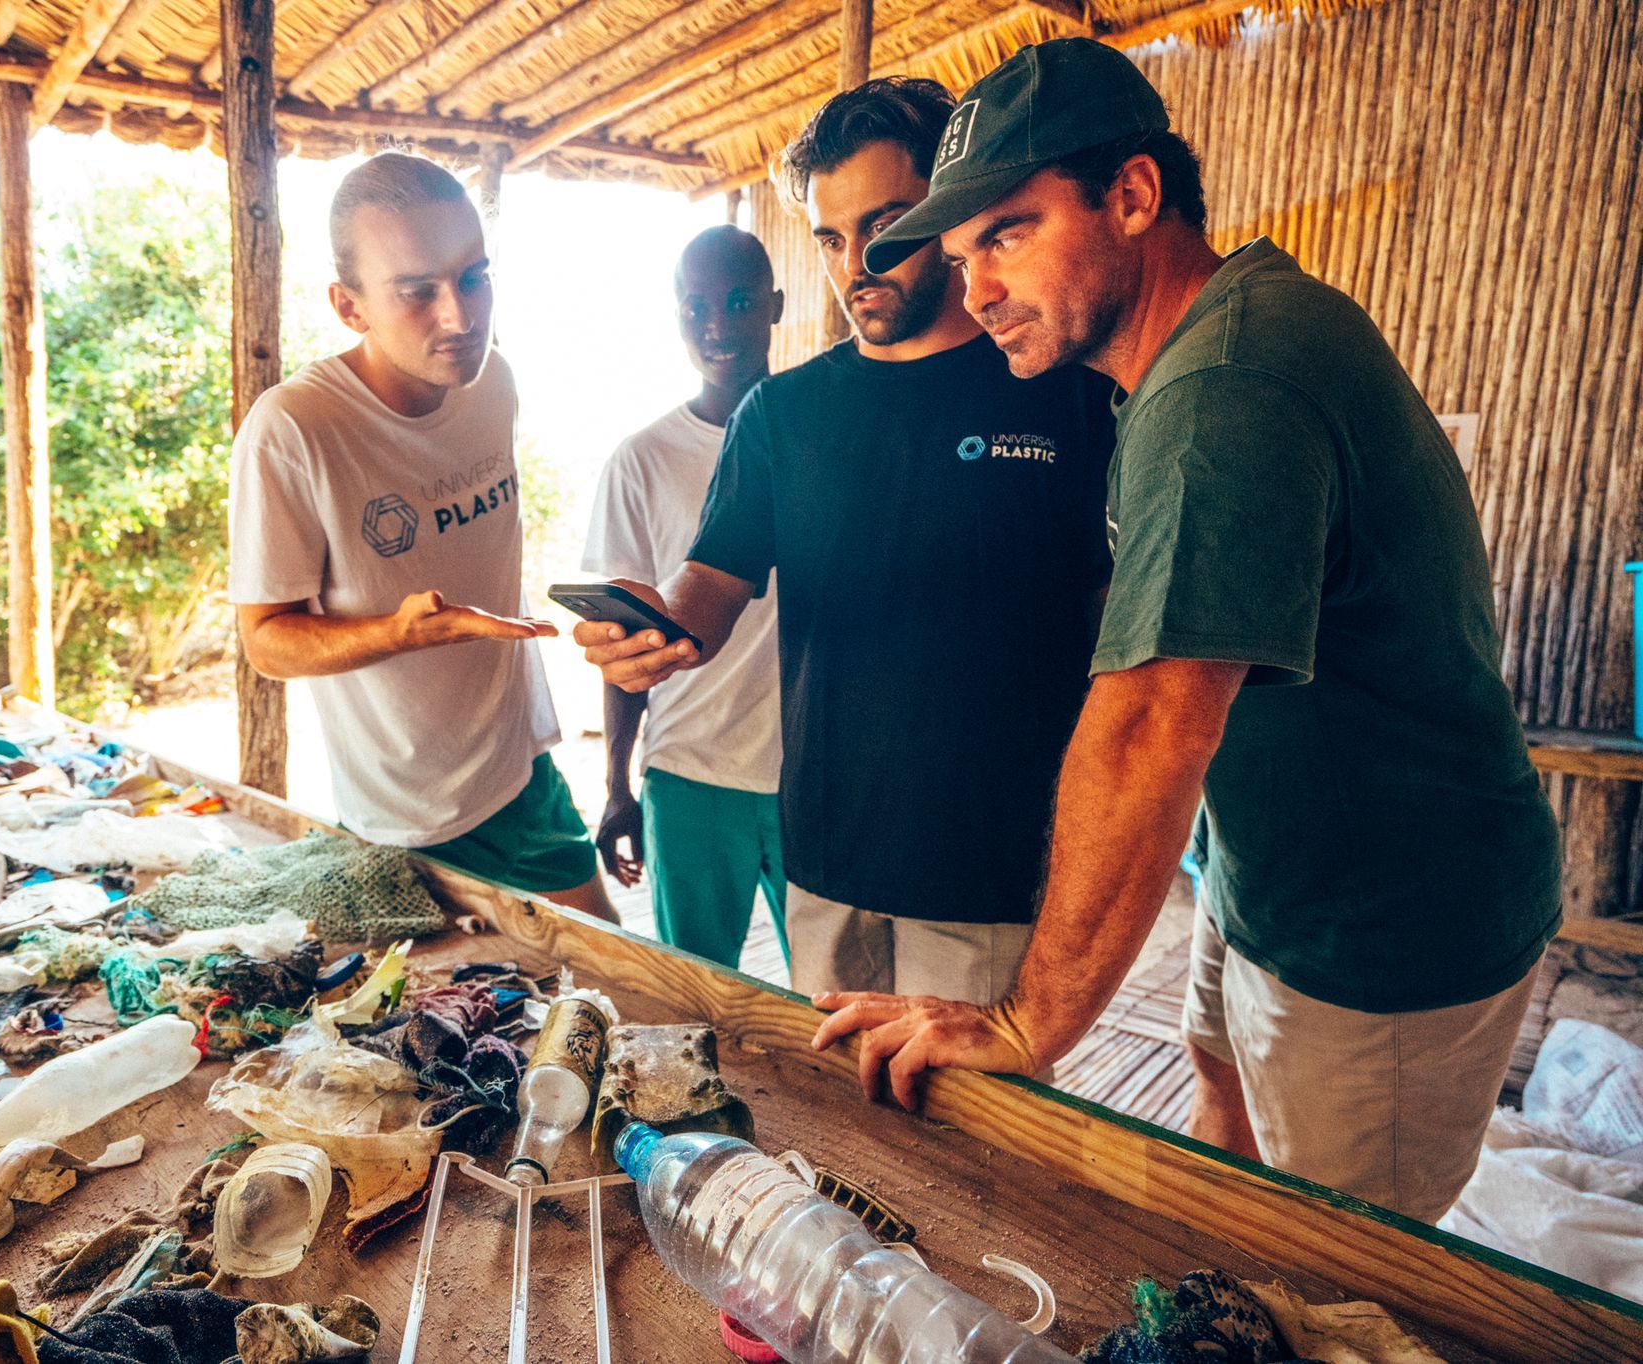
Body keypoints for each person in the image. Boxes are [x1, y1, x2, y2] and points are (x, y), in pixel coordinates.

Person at [814, 38, 1560, 1223]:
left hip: (1382, 936)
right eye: (959, 257)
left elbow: (1153, 721)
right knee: (1224, 1149)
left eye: (1004, 233)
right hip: (1270, 868)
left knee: (1336, 1283)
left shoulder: (1222, 393)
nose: (976, 289)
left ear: (1132, 195)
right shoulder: (1222, 332)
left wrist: (1024, 1020)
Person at [575, 80, 1117, 1004]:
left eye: (887, 222)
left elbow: (1118, 626)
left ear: (949, 211)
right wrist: (651, 632)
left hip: (991, 873)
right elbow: (711, 582)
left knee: (974, 1144)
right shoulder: (784, 414)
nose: (857, 261)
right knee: (845, 1129)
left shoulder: (1057, 390)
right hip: (826, 865)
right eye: (830, 237)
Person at [229, 152, 615, 921]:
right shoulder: (294, 429)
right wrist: (401, 633)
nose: (461, 318)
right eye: (417, 292)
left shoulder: (492, 382)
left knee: (624, 993)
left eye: (474, 276)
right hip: (399, 820)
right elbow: (267, 642)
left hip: (519, 774)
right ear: (350, 306)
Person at [581, 226, 789, 969]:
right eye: (695, 307)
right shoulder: (641, 460)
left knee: (835, 1001)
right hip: (690, 776)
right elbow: (622, 641)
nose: (716, 326)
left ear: (775, 306)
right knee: (695, 1001)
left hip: (812, 776)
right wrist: (616, 786)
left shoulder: (820, 435)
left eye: (738, 303)